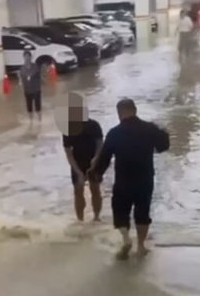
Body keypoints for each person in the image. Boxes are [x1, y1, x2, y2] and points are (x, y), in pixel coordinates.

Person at [89, 98, 169, 259]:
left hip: (123, 180)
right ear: (135, 110)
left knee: (120, 210)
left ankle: (126, 239)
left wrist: (96, 174)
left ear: (119, 113)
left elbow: (104, 158)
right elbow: (163, 147)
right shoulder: (149, 129)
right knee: (142, 212)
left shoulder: (114, 132)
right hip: (145, 179)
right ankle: (140, 246)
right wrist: (163, 130)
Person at [62, 94, 103, 222]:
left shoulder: (94, 125)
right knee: (78, 191)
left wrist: (96, 159)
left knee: (95, 189)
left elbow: (100, 145)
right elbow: (68, 153)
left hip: (94, 161)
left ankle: (96, 217)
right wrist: (77, 171)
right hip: (77, 162)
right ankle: (80, 220)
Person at [19, 50, 42, 122]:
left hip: (36, 89)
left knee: (37, 106)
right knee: (29, 106)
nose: (27, 58)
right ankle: (31, 121)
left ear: (31, 57)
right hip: (27, 90)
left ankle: (39, 119)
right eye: (25, 57)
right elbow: (22, 76)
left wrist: (29, 75)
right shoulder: (22, 68)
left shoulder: (35, 66)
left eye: (28, 57)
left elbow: (35, 73)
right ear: (23, 58)